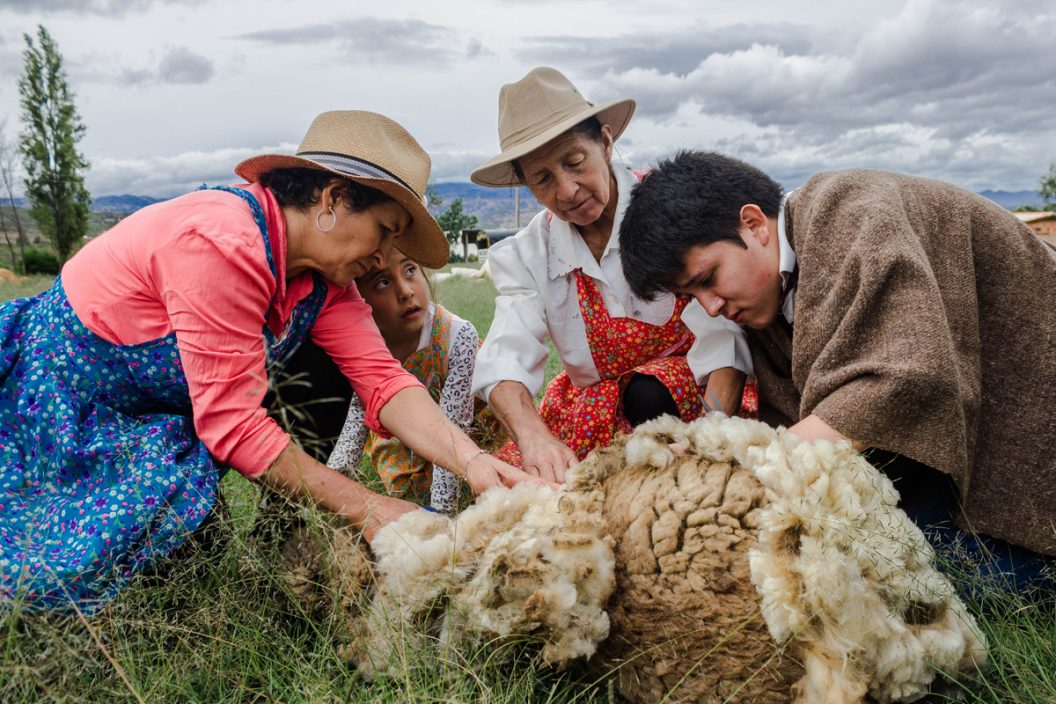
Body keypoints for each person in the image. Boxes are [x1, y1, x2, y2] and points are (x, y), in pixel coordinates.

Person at [0, 110, 548, 613]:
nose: (383, 256)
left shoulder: (324, 279)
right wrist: (369, 509)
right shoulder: (221, 244)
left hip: (156, 407)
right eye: (384, 229)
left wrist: (473, 461)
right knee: (54, 569)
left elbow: (383, 381)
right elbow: (233, 425)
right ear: (332, 199)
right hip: (67, 395)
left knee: (182, 577)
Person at [618, 150, 1056, 592]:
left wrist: (744, 463)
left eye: (708, 278)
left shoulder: (853, 211)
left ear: (753, 225)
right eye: (691, 297)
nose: (710, 306)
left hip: (1032, 415)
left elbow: (908, 376)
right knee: (843, 546)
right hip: (947, 435)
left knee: (912, 575)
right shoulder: (767, 296)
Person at [469, 67, 753, 482]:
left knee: (650, 393)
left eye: (574, 161)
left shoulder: (670, 209)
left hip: (697, 400)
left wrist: (709, 437)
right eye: (543, 178)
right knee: (532, 492)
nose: (566, 190)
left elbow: (724, 334)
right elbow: (506, 355)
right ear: (526, 186)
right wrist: (534, 439)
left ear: (604, 143)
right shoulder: (529, 254)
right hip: (597, 414)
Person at [328, 252, 502, 514]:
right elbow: (354, 426)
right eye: (382, 283)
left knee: (489, 479)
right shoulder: (363, 347)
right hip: (408, 434)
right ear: (357, 299)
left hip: (468, 431)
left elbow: (454, 429)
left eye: (410, 270)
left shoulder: (458, 335)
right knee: (406, 487)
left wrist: (443, 516)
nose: (406, 291)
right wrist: (332, 497)